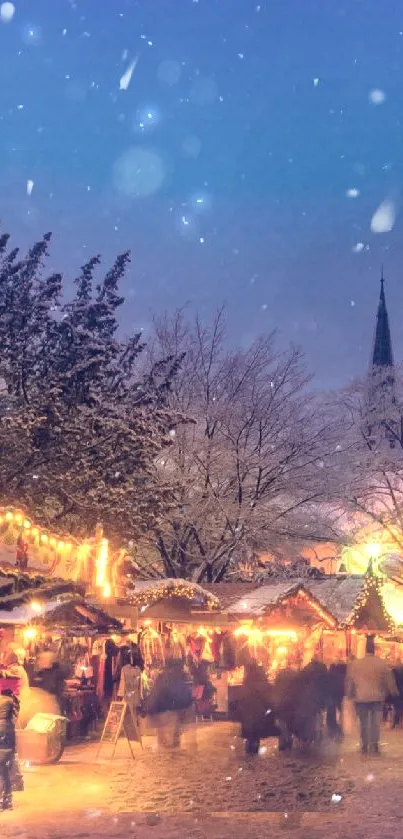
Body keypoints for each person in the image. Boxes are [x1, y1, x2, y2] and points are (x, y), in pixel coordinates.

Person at [346, 635, 398, 755]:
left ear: (365, 650)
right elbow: (389, 680)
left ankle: (364, 745)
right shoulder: (381, 663)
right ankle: (374, 745)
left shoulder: (356, 664)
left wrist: (349, 694)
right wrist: (393, 691)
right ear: (374, 649)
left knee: (363, 722)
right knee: (375, 723)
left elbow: (350, 680)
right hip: (377, 697)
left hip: (361, 697)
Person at [146, 659, 192, 749]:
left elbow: (156, 693)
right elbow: (182, 694)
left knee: (166, 737)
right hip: (168, 710)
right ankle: (170, 751)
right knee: (171, 737)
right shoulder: (174, 678)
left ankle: (167, 751)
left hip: (163, 710)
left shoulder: (163, 677)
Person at [238, 660, 277, 755]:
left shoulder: (247, 683)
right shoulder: (262, 682)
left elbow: (242, 699)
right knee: (255, 733)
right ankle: (253, 750)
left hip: (249, 713)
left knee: (251, 733)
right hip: (259, 713)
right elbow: (268, 698)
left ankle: (250, 751)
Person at [0, 689, 19, 810]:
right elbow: (17, 714)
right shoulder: (11, 702)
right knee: (5, 770)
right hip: (6, 738)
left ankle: (5, 798)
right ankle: (6, 799)